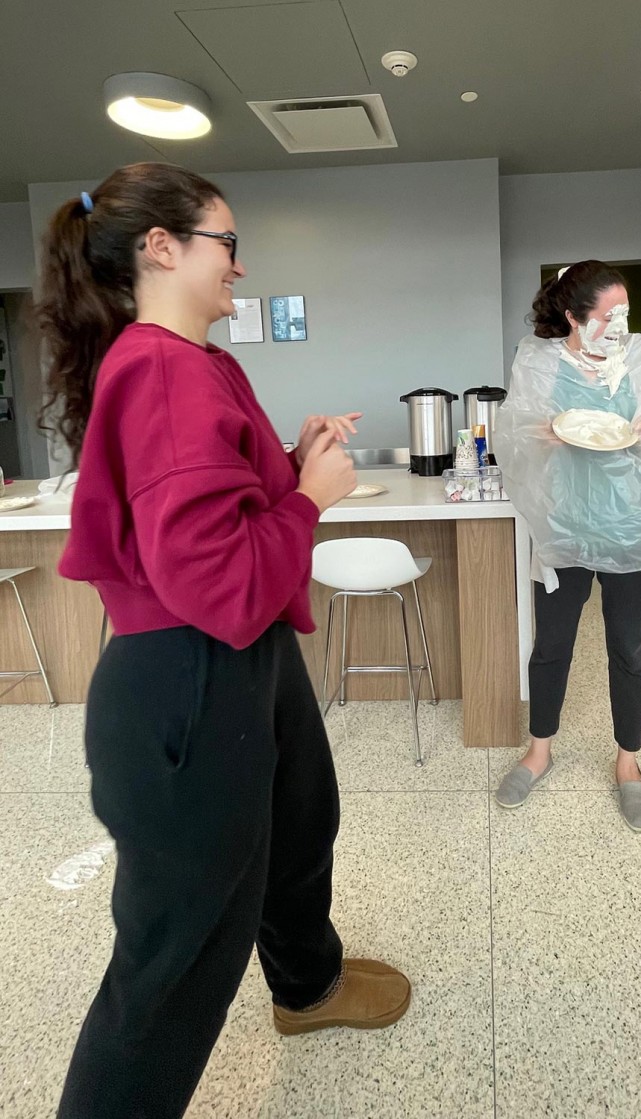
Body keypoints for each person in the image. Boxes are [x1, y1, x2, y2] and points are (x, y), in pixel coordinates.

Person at [36, 162, 411, 1119]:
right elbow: (227, 586)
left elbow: (220, 507)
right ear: (161, 248)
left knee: (297, 821)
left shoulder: (196, 362)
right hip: (189, 677)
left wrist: (291, 464)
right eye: (228, 243)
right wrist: (313, 500)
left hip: (238, 665)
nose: (239, 266)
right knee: (177, 951)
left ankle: (307, 987)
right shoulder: (160, 369)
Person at [493, 260, 641, 831]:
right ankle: (539, 751)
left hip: (632, 526)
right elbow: (514, 427)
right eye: (608, 314)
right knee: (551, 645)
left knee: (630, 648)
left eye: (626, 312)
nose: (621, 324)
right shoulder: (540, 360)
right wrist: (542, 432)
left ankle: (628, 764)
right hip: (565, 525)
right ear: (572, 316)